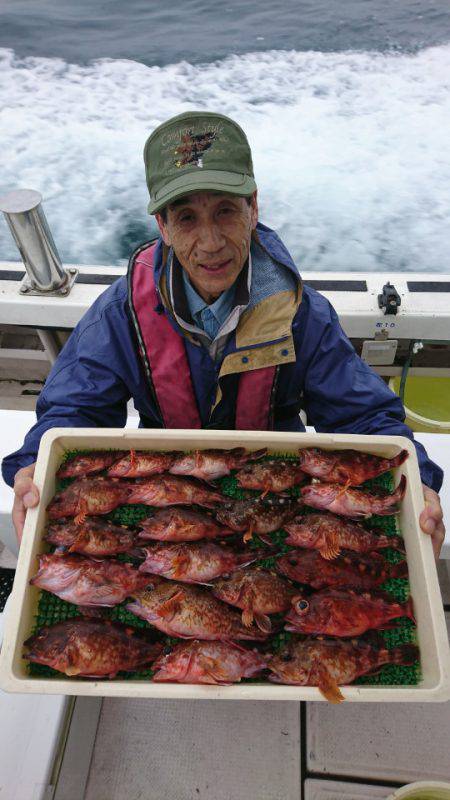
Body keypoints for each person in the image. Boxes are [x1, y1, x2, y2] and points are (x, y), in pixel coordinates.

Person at [2, 111, 445, 555]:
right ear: (163, 227)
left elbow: (363, 419)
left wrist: (417, 480)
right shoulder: (122, 314)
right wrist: (34, 468)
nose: (211, 242)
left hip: (280, 489)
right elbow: (76, 411)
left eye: (226, 211)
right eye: (188, 218)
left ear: (254, 208)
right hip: (170, 487)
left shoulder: (304, 315)